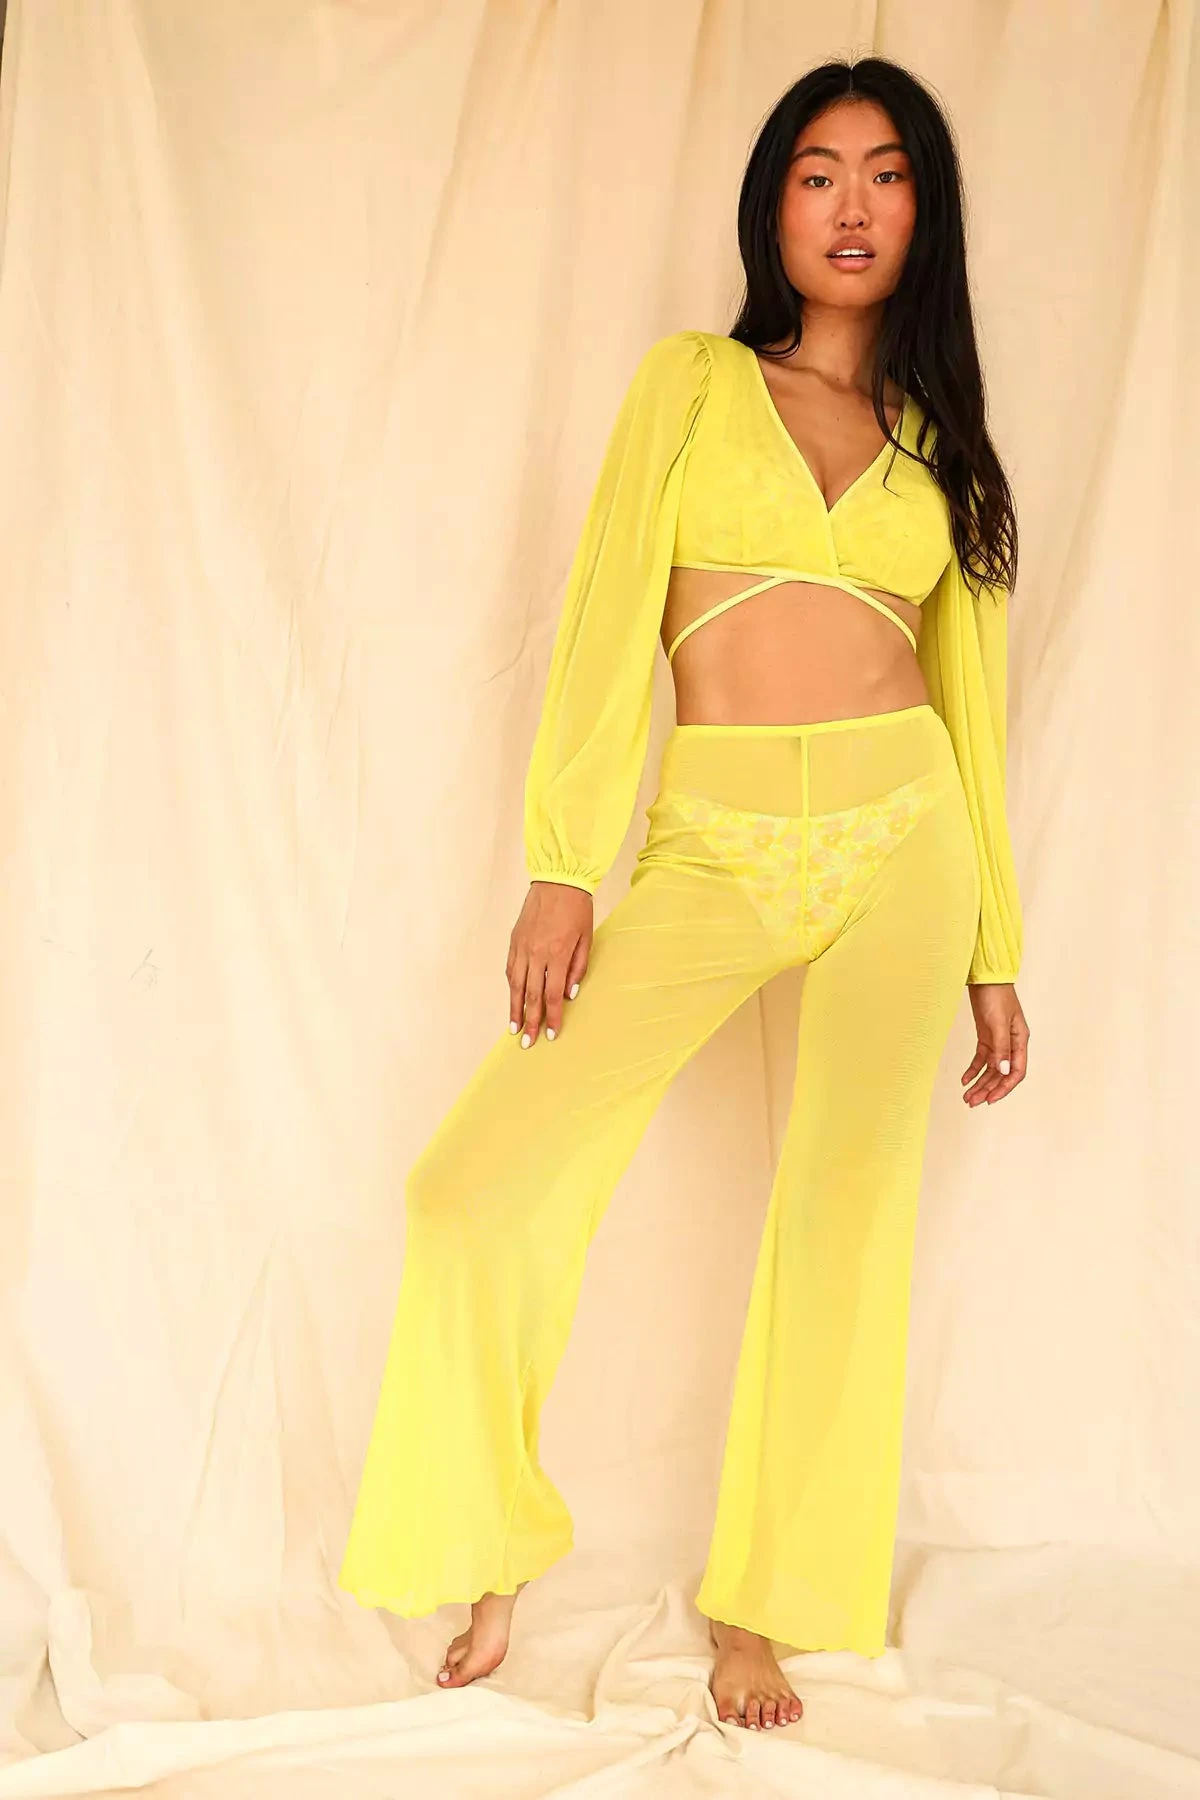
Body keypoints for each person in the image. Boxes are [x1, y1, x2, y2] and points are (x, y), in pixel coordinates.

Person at [338, 55, 1031, 1734]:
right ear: (772, 204)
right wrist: (562, 866)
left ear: (924, 211)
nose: (851, 205)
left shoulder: (943, 442)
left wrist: (995, 949)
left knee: (843, 1222)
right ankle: (488, 1542)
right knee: (474, 1182)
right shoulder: (695, 385)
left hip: (906, 835)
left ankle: (761, 1611)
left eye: (886, 174)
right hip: (712, 844)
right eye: (817, 173)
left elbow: (974, 705)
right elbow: (599, 625)